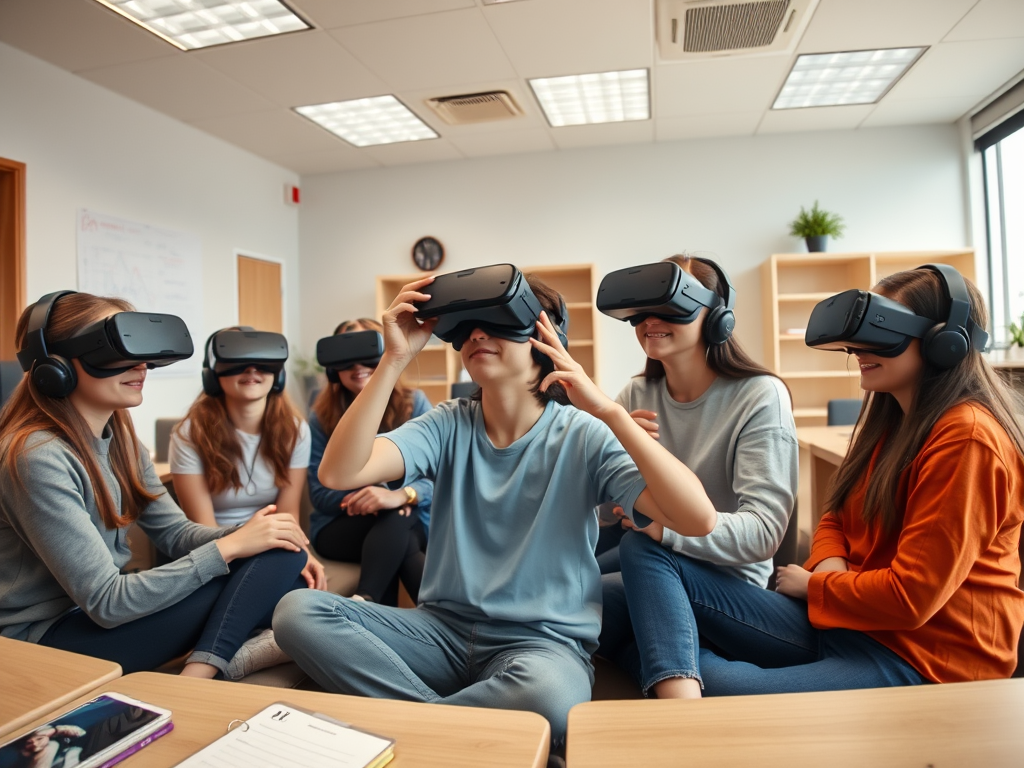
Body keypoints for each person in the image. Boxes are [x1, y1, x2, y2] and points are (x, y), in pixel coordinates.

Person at [272, 269, 718, 753]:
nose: (477, 335)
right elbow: (339, 473)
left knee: (548, 693)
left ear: (546, 342)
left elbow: (698, 520)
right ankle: (462, 732)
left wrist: (608, 412)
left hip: (541, 646)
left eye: (499, 322)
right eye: (466, 327)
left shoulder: (584, 434)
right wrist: (394, 361)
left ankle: (411, 735)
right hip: (437, 631)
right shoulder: (446, 423)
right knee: (297, 611)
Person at [618, 265, 1024, 698]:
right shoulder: (894, 421)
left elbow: (911, 598)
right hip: (848, 620)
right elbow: (836, 517)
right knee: (639, 555)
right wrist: (831, 570)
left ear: (946, 342)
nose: (857, 349)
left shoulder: (969, 438)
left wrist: (816, 585)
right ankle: (673, 674)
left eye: (882, 333)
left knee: (701, 675)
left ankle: (677, 703)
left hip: (922, 657)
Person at [0, 292, 317, 680]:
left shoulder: (123, 441)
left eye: (142, 351)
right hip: (49, 642)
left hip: (97, 617)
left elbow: (175, 534)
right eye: (116, 351)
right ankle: (215, 667)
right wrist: (231, 547)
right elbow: (106, 601)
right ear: (54, 363)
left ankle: (204, 669)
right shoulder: (36, 456)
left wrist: (255, 534)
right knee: (272, 574)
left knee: (284, 552)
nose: (142, 366)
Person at [597, 254, 798, 689]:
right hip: (655, 569)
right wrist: (614, 448)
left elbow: (763, 533)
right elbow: (603, 509)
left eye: (671, 306)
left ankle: (681, 692)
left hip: (727, 585)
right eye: (642, 309)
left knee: (640, 549)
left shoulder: (760, 396)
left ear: (716, 317)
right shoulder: (636, 393)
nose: (650, 321)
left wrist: (663, 530)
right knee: (569, 601)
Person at [308, 319, 432, 605]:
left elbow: (438, 479)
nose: (357, 367)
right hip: (340, 526)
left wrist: (398, 495)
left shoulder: (414, 403)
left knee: (397, 518)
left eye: (368, 354)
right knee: (399, 523)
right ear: (333, 368)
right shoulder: (320, 416)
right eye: (346, 359)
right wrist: (372, 498)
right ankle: (452, 628)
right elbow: (319, 494)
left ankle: (365, 601)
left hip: (405, 518)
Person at [170, 327, 313, 532]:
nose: (251, 370)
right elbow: (202, 527)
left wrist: (300, 550)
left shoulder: (295, 431)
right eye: (237, 360)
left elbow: (288, 514)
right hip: (214, 544)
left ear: (278, 375)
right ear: (212, 376)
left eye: (262, 362)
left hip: (269, 539)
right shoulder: (190, 433)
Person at [10, 725, 85, 768]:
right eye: (29, 743)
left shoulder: (55, 740)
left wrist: (55, 730)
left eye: (39, 739)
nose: (35, 744)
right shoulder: (24, 753)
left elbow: (81, 732)